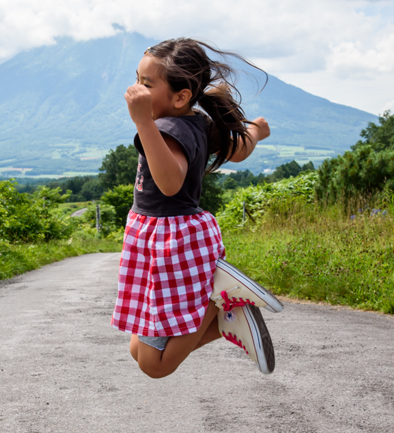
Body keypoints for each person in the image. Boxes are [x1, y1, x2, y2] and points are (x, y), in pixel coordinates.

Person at [111, 38, 283, 380]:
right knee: (138, 350)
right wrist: (255, 132)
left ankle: (222, 302)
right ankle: (228, 319)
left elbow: (170, 183)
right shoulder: (199, 122)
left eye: (146, 84)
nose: (136, 89)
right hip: (167, 239)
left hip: (170, 241)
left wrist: (143, 122)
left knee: (153, 364)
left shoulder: (165, 129)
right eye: (136, 79)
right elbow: (237, 151)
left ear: (180, 96)